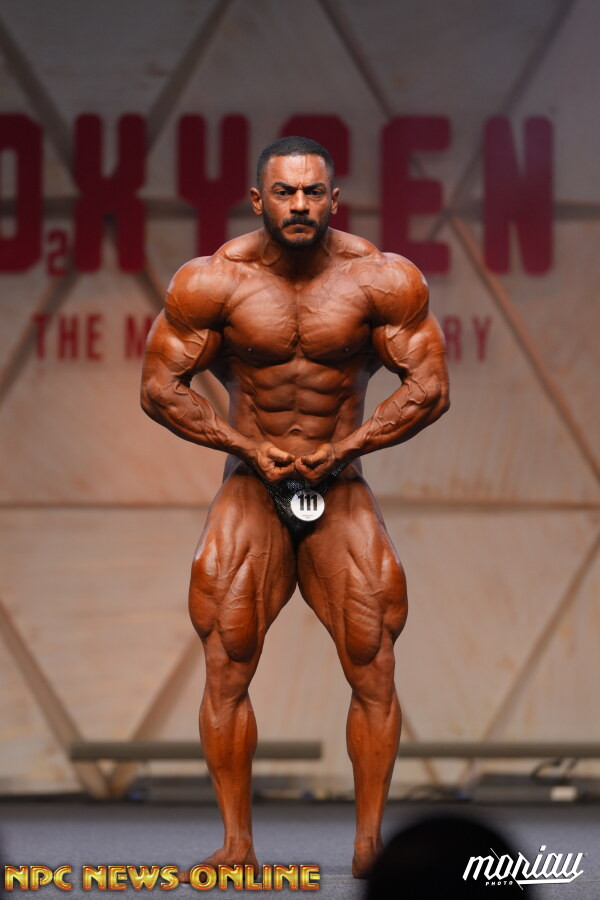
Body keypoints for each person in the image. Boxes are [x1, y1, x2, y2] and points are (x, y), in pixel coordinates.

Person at [140, 136, 449, 879]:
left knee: (373, 660)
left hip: (339, 483)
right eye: (285, 192)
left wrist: (349, 446)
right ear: (259, 200)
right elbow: (159, 388)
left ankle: (370, 847)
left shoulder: (381, 279)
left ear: (334, 200)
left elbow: (430, 387)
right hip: (252, 483)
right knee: (227, 660)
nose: (300, 205)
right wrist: (245, 445)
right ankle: (237, 845)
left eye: (313, 192)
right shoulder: (214, 282)